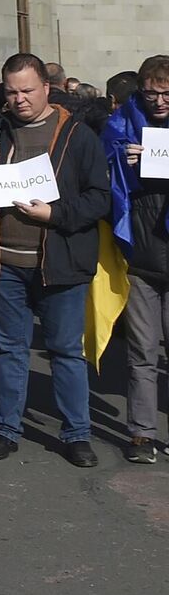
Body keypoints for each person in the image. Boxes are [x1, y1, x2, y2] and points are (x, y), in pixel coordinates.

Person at [0, 52, 115, 467]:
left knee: (65, 352)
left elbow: (99, 198)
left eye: (27, 91)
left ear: (47, 89)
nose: (19, 100)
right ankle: (6, 429)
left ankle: (76, 434)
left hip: (60, 263)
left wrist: (55, 215)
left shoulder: (77, 135)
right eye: (12, 91)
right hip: (5, 263)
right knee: (9, 350)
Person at [106, 55, 169, 463]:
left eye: (166, 93)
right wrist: (123, 162)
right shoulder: (121, 122)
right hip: (141, 252)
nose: (159, 101)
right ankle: (142, 434)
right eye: (151, 92)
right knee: (142, 351)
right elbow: (103, 169)